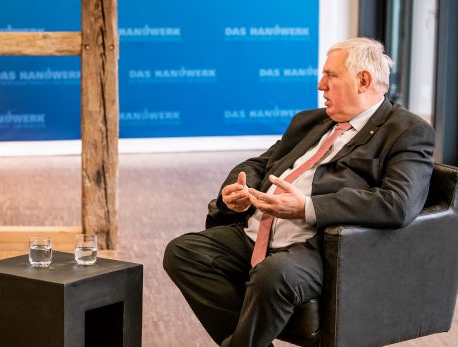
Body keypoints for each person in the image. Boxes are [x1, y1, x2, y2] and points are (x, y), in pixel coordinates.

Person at [163, 37, 435, 346]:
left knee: (274, 275)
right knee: (184, 252)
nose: (321, 85)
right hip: (259, 230)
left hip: (318, 244)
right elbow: (262, 163)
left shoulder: (406, 131)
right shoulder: (310, 121)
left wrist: (307, 207)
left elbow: (398, 202)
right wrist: (240, 188)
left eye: (330, 76)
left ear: (363, 80)